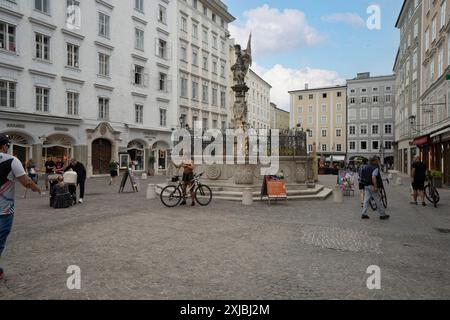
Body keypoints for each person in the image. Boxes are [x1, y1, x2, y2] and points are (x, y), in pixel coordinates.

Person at [0, 134, 41, 280]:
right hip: (4, 209)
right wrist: (36, 188)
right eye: (8, 145)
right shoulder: (11, 160)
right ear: (5, 146)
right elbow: (26, 182)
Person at [360, 156, 390, 220]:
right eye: (377, 160)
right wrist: (376, 186)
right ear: (374, 161)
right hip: (372, 186)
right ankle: (382, 214)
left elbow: (362, 176)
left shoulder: (365, 167)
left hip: (366, 185)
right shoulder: (375, 168)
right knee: (378, 200)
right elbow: (373, 177)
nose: (378, 162)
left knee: (366, 200)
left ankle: (364, 213)